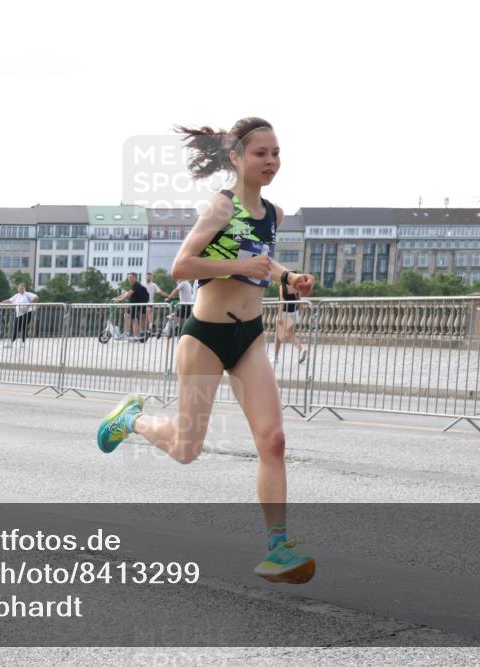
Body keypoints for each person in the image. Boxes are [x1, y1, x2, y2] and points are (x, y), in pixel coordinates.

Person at [96, 118, 317, 584]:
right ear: (236, 157)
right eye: (261, 153)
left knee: (273, 440)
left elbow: (260, 253)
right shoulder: (220, 207)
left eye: (276, 153)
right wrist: (241, 264)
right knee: (185, 449)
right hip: (205, 340)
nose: (271, 161)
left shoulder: (272, 214)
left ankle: (277, 546)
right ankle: (129, 420)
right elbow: (181, 266)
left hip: (250, 337)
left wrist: (285, 276)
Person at [273, 280, 307, 365]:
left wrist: (280, 315)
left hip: (285, 313)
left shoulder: (283, 287)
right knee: (290, 335)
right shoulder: (297, 286)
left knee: (278, 337)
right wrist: (300, 313)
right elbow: (299, 301)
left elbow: (282, 301)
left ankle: (276, 358)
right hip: (294, 312)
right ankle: (302, 349)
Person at [111, 272, 149, 340]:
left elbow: (129, 294)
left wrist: (120, 300)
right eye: (129, 277)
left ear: (135, 278)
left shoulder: (136, 285)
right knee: (133, 319)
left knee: (129, 317)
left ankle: (127, 333)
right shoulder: (135, 285)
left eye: (131, 277)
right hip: (135, 305)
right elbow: (126, 293)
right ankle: (135, 336)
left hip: (134, 305)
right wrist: (117, 298)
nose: (129, 279)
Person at [2, 283, 38, 348]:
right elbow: (9, 300)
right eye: (20, 288)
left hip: (27, 313)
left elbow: (36, 297)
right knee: (16, 327)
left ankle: (22, 343)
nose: (21, 289)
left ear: (24, 288)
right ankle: (11, 343)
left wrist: (29, 304)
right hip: (19, 314)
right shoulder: (17, 296)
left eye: (22, 288)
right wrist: (0, 303)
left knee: (23, 327)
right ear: (18, 289)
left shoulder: (27, 294)